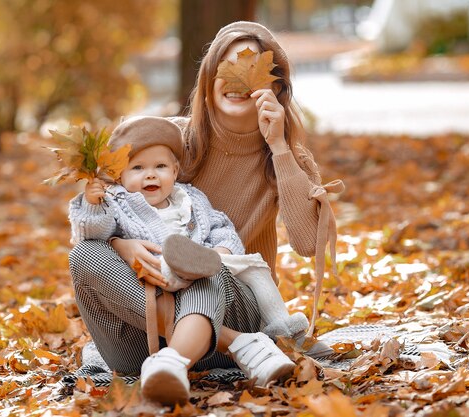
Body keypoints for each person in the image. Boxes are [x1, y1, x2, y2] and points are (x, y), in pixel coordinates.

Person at [68, 21, 342, 405]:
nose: (238, 78)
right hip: (143, 325)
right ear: (210, 77)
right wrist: (121, 244)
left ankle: (196, 351)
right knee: (84, 254)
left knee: (205, 266)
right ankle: (210, 354)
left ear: (276, 87)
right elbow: (111, 205)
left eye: (253, 68)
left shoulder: (288, 158)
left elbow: (308, 243)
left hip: (233, 302)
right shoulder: (170, 144)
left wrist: (279, 146)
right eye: (227, 66)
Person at [69, 115, 306, 404]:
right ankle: (237, 344)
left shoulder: (192, 200)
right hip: (141, 341)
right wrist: (107, 227)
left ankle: (174, 361)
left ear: (176, 170)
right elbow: (92, 231)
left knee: (204, 264)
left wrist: (217, 255)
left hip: (208, 313)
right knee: (84, 252)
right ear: (119, 176)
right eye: (138, 168)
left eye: (160, 166)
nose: (151, 175)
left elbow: (223, 230)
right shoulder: (116, 202)